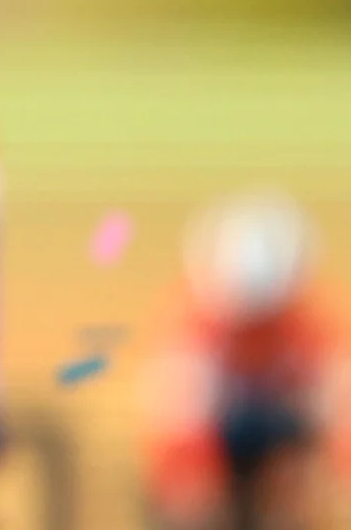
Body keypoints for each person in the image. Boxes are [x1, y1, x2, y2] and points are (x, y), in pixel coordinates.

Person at [144, 193, 350, 530]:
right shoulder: (195, 336)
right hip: (216, 449)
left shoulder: (311, 332)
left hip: (283, 448)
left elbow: (339, 415)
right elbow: (178, 438)